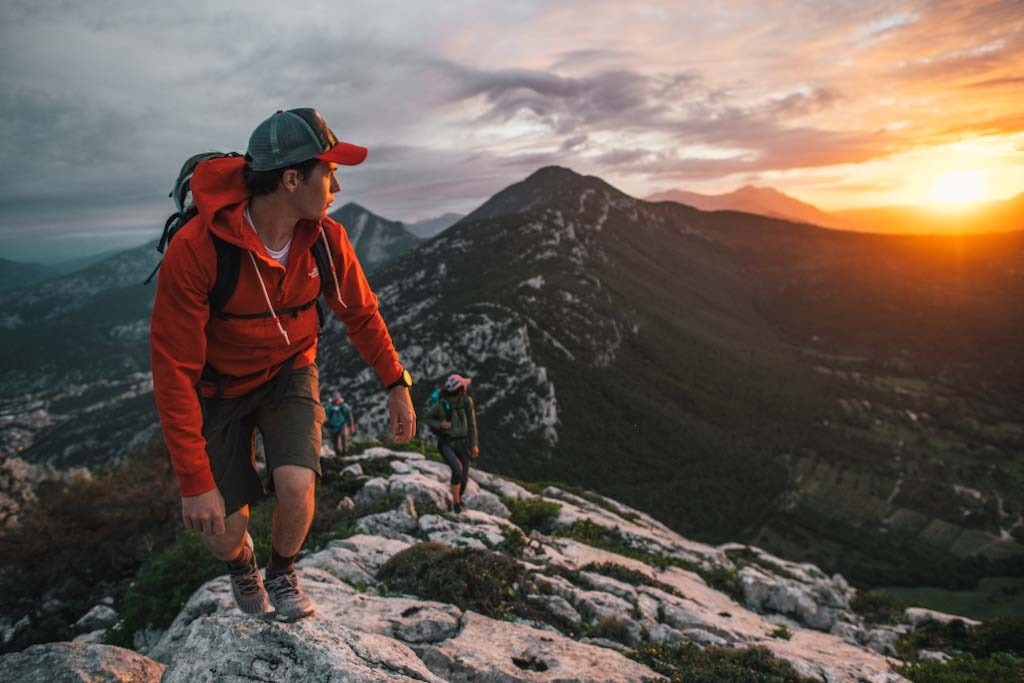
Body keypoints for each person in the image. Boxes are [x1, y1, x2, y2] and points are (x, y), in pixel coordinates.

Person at [150, 108, 415, 621]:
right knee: (221, 530)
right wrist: (194, 481)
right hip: (217, 389)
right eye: (329, 172)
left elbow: (361, 313)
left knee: (297, 485)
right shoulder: (198, 249)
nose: (336, 185)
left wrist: (395, 382)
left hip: (289, 371)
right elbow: (173, 369)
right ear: (292, 178)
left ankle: (282, 570)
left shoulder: (325, 239)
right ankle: (243, 562)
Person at [422, 374, 478, 513]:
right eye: (464, 386)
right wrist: (441, 424)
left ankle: (458, 497)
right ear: (460, 390)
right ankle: (456, 503)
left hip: (463, 443)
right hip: (446, 443)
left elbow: (472, 424)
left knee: (464, 478)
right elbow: (426, 417)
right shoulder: (441, 405)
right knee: (457, 471)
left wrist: (474, 444)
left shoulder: (467, 402)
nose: (466, 388)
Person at [324, 391, 355, 457]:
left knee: (344, 436)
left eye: (338, 399)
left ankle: (345, 453)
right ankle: (339, 455)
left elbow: (349, 416)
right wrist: (323, 427)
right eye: (336, 399)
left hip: (342, 424)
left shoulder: (344, 406)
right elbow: (324, 417)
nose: (337, 401)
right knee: (336, 444)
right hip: (333, 426)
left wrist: (351, 426)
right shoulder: (328, 407)